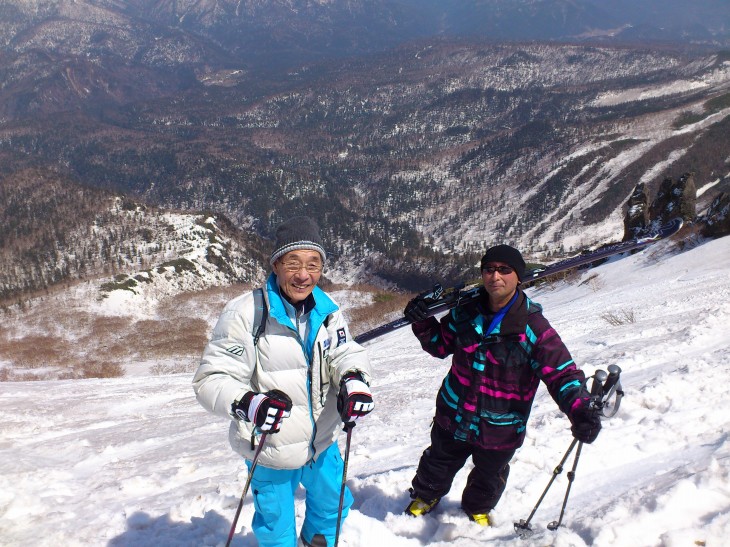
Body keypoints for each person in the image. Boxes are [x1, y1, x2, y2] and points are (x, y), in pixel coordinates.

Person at [193, 216, 374, 547]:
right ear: (276, 264)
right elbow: (211, 379)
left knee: (332, 506)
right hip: (270, 445)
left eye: (313, 264)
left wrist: (353, 380)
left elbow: (343, 352)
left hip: (323, 439)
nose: (303, 275)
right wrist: (250, 403)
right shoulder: (246, 313)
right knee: (277, 528)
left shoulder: (328, 310)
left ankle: (315, 542)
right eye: (293, 263)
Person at [402, 244, 601, 526]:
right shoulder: (465, 313)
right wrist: (421, 320)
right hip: (454, 412)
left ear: (518, 276)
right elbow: (439, 345)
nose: (495, 276)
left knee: (489, 475)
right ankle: (426, 495)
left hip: (502, 425)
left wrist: (580, 409)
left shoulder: (533, 328)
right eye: (489, 269)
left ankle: (477, 508)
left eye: (504, 270)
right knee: (438, 462)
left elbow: (561, 373)